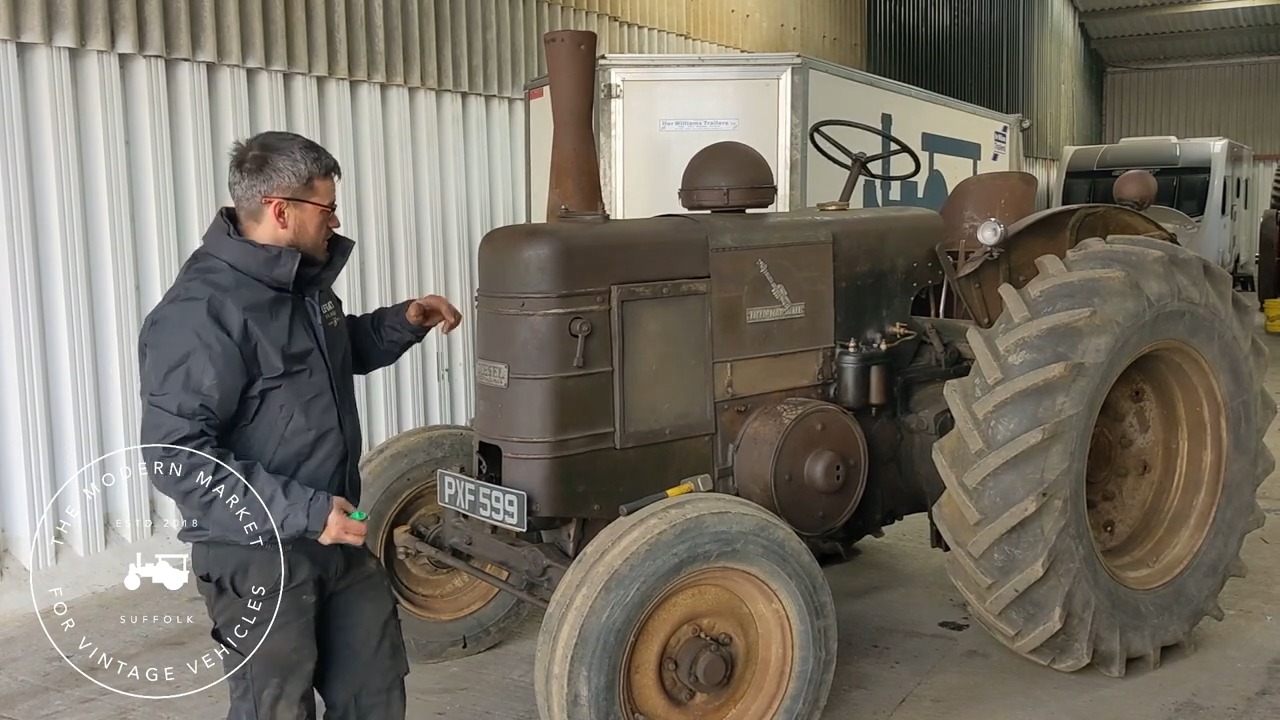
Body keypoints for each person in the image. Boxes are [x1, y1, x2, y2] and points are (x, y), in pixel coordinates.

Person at [136, 130, 461, 719]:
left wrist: (402, 322)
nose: (335, 221)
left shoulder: (302, 286)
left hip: (335, 535)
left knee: (375, 691)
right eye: (328, 207)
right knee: (276, 707)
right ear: (282, 210)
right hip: (257, 550)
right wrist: (308, 512)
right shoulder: (202, 313)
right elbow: (178, 457)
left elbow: (334, 354)